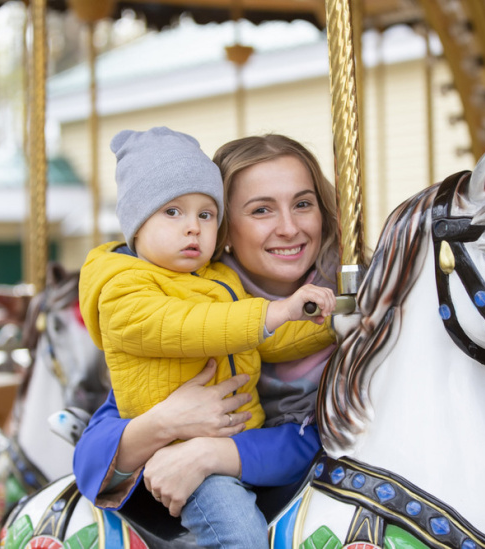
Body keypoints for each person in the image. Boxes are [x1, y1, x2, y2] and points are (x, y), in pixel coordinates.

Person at [73, 133, 343, 547]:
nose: (288, 228)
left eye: (303, 204)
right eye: (261, 210)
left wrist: (337, 319)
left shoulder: (342, 299)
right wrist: (164, 422)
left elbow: (348, 439)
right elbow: (93, 454)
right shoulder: (182, 295)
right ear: (228, 230)